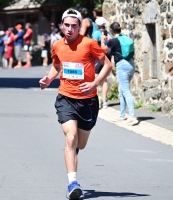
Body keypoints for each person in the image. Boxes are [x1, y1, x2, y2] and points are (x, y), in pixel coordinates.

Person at [39, 9, 112, 200]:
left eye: (74, 26)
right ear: (62, 25)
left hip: (88, 101)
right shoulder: (56, 45)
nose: (70, 29)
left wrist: (95, 82)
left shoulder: (89, 44)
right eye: (67, 25)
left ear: (80, 27)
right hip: (66, 98)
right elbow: (56, 65)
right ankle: (73, 183)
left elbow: (108, 65)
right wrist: (49, 79)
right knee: (70, 139)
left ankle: (73, 152)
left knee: (81, 144)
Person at [101, 22, 138, 125]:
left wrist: (102, 40)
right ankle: (122, 116)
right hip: (131, 64)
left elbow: (103, 49)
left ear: (111, 31)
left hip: (122, 65)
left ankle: (132, 116)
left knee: (125, 91)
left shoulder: (114, 41)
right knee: (121, 91)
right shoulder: (124, 38)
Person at [93, 17, 110, 109]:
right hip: (108, 57)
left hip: (99, 58)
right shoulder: (108, 33)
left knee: (96, 79)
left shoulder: (96, 33)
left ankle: (97, 102)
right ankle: (105, 102)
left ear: (97, 25)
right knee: (105, 80)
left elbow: (94, 45)